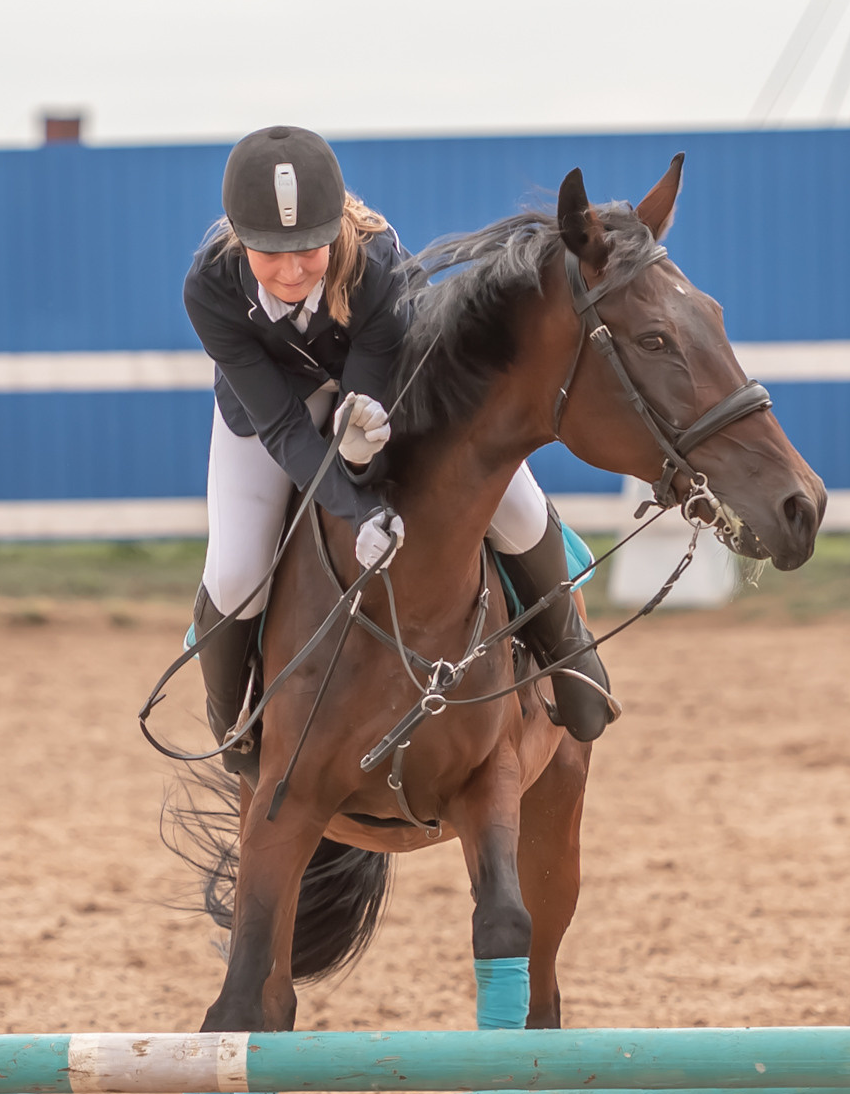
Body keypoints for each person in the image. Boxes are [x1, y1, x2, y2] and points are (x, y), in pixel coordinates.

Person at [181, 124, 613, 776]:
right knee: (237, 569)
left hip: (387, 391)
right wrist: (357, 513)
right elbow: (285, 430)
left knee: (515, 504)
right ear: (241, 242)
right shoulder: (210, 287)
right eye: (272, 254)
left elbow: (365, 410)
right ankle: (234, 716)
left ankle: (569, 649)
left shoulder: (376, 263)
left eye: (310, 249)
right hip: (273, 413)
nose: (294, 270)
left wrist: (366, 468)